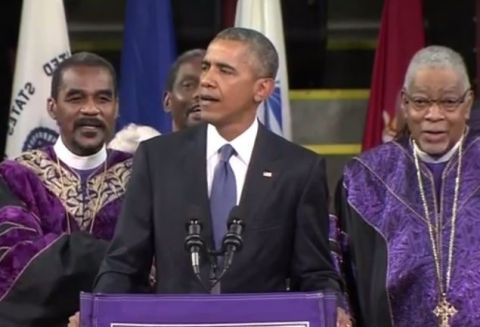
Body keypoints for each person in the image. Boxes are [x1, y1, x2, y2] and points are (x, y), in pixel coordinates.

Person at [89, 27, 346, 323]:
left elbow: (314, 272)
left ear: (262, 89)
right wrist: (98, 311)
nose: (207, 81)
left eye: (225, 71)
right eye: (206, 68)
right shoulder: (157, 158)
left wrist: (333, 309)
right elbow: (123, 264)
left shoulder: (299, 168)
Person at [336, 45, 479, 326]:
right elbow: (336, 266)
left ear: (468, 103)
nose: (434, 115)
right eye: (421, 102)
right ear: (404, 102)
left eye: (449, 102)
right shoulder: (364, 178)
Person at [0, 52, 132, 327]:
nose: (90, 109)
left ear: (117, 107)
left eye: (103, 98)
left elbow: (166, 262)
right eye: (76, 98)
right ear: (52, 107)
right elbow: (16, 265)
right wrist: (121, 259)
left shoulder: (143, 175)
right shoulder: (17, 175)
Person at [163, 48, 205, 131]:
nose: (200, 94)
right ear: (167, 101)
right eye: (188, 85)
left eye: (208, 86)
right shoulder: (149, 144)